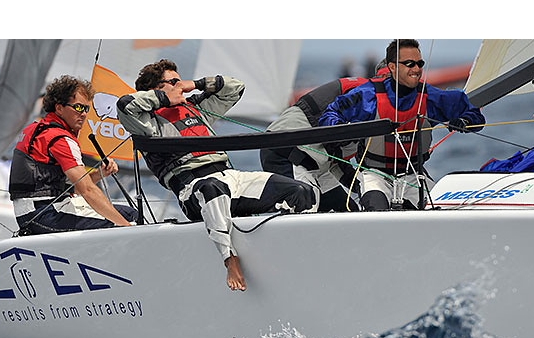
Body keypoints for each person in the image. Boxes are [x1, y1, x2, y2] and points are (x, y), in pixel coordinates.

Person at [116, 59, 316, 291]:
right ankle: (229, 258)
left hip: (230, 178)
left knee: (300, 191)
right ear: (156, 89)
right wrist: (163, 98)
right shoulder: (146, 122)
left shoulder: (195, 108)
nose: (180, 85)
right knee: (211, 187)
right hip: (193, 189)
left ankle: (291, 260)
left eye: (180, 80)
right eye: (174, 82)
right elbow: (124, 105)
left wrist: (197, 83)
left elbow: (236, 87)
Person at [319, 39, 485, 211]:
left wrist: (466, 121)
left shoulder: (430, 97)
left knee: (440, 213)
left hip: (414, 176)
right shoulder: (368, 95)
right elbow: (331, 114)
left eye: (420, 63)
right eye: (409, 64)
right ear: (392, 67)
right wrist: (340, 129)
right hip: (375, 175)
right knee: (376, 209)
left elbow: (474, 114)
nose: (417, 69)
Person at [8, 75, 137, 234]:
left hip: (33, 212)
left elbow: (69, 187)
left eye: (86, 108)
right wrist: (127, 229)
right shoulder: (60, 139)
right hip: (45, 213)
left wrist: (100, 174)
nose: (83, 114)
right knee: (130, 219)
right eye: (78, 107)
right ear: (59, 108)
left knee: (128, 213)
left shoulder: (35, 129)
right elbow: (87, 190)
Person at [259, 62, 392, 212]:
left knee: (349, 213)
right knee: (304, 214)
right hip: (288, 152)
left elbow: (336, 161)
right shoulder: (362, 93)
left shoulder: (376, 112)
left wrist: (367, 186)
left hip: (314, 164)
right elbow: (335, 138)